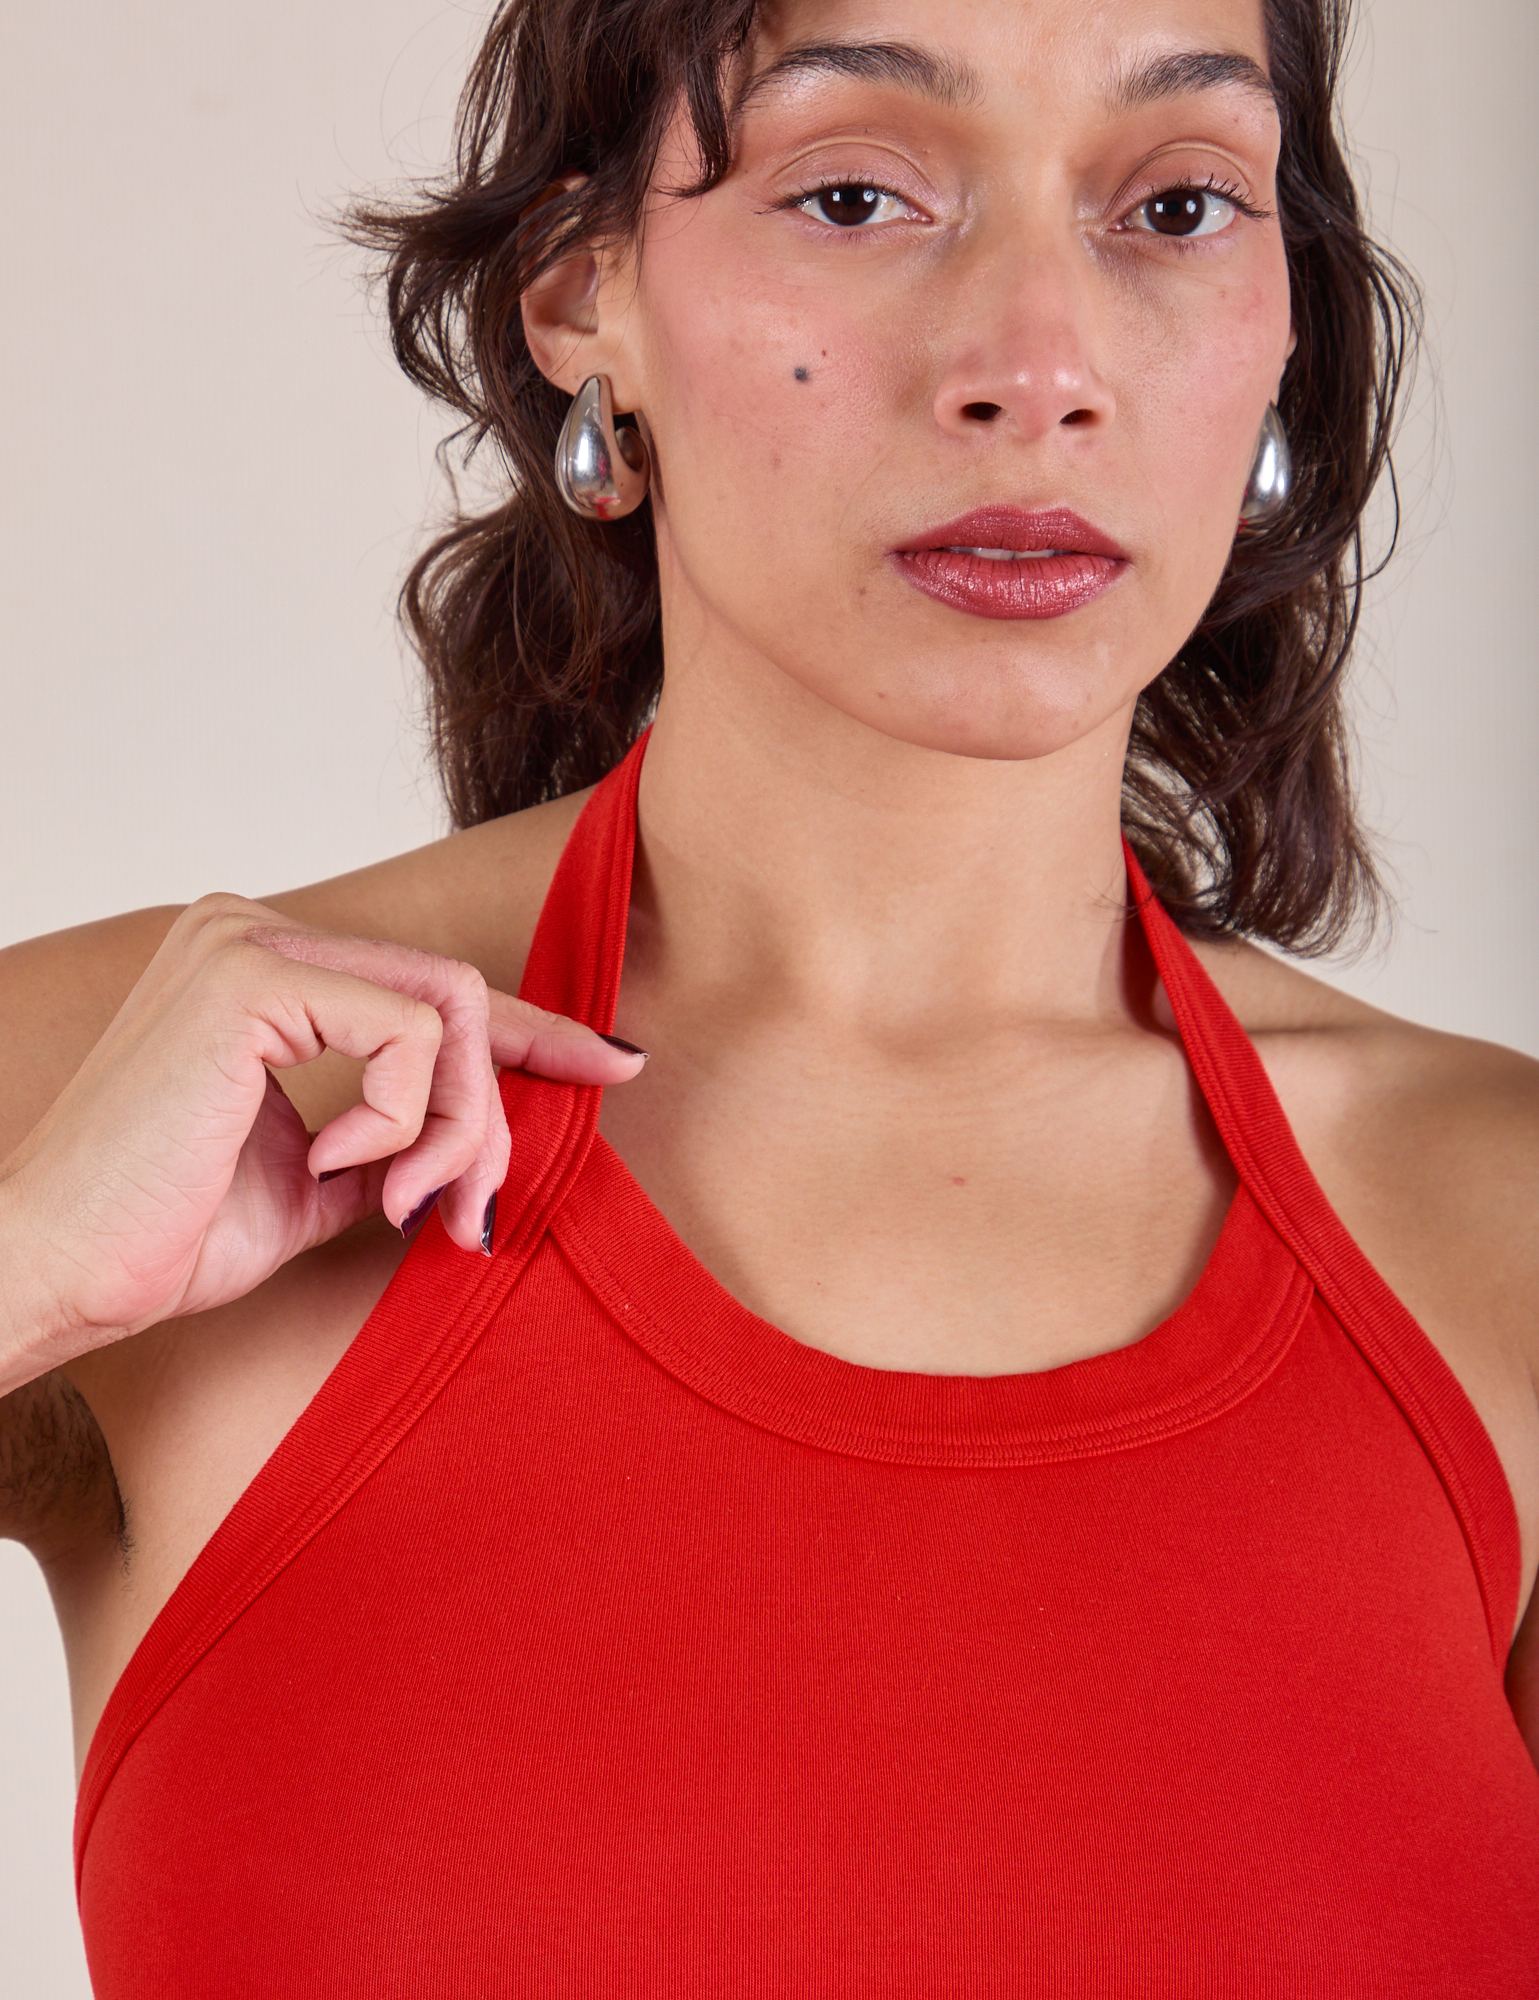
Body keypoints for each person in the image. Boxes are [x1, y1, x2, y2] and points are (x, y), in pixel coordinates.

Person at [2, 0, 1536, 1987]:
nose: (1038, 364)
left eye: (1173, 202)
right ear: (585, 301)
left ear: (1280, 331)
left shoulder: (1491, 1226)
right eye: (853, 190)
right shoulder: (134, 1092)